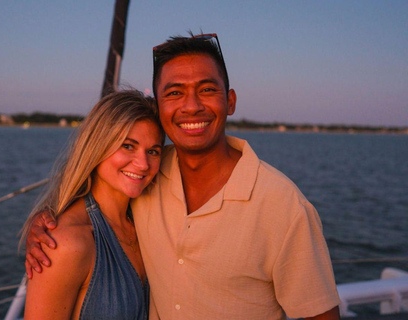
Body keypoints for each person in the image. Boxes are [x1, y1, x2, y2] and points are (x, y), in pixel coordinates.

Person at [25, 33, 341, 319]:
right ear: (160, 107)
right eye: (175, 92)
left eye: (206, 89)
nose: (191, 106)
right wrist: (51, 223)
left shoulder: (283, 207)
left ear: (230, 101)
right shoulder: (146, 181)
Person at [20, 90, 164, 319]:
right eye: (128, 146)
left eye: (153, 151)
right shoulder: (66, 243)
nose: (143, 163)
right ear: (97, 146)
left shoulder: (148, 222)